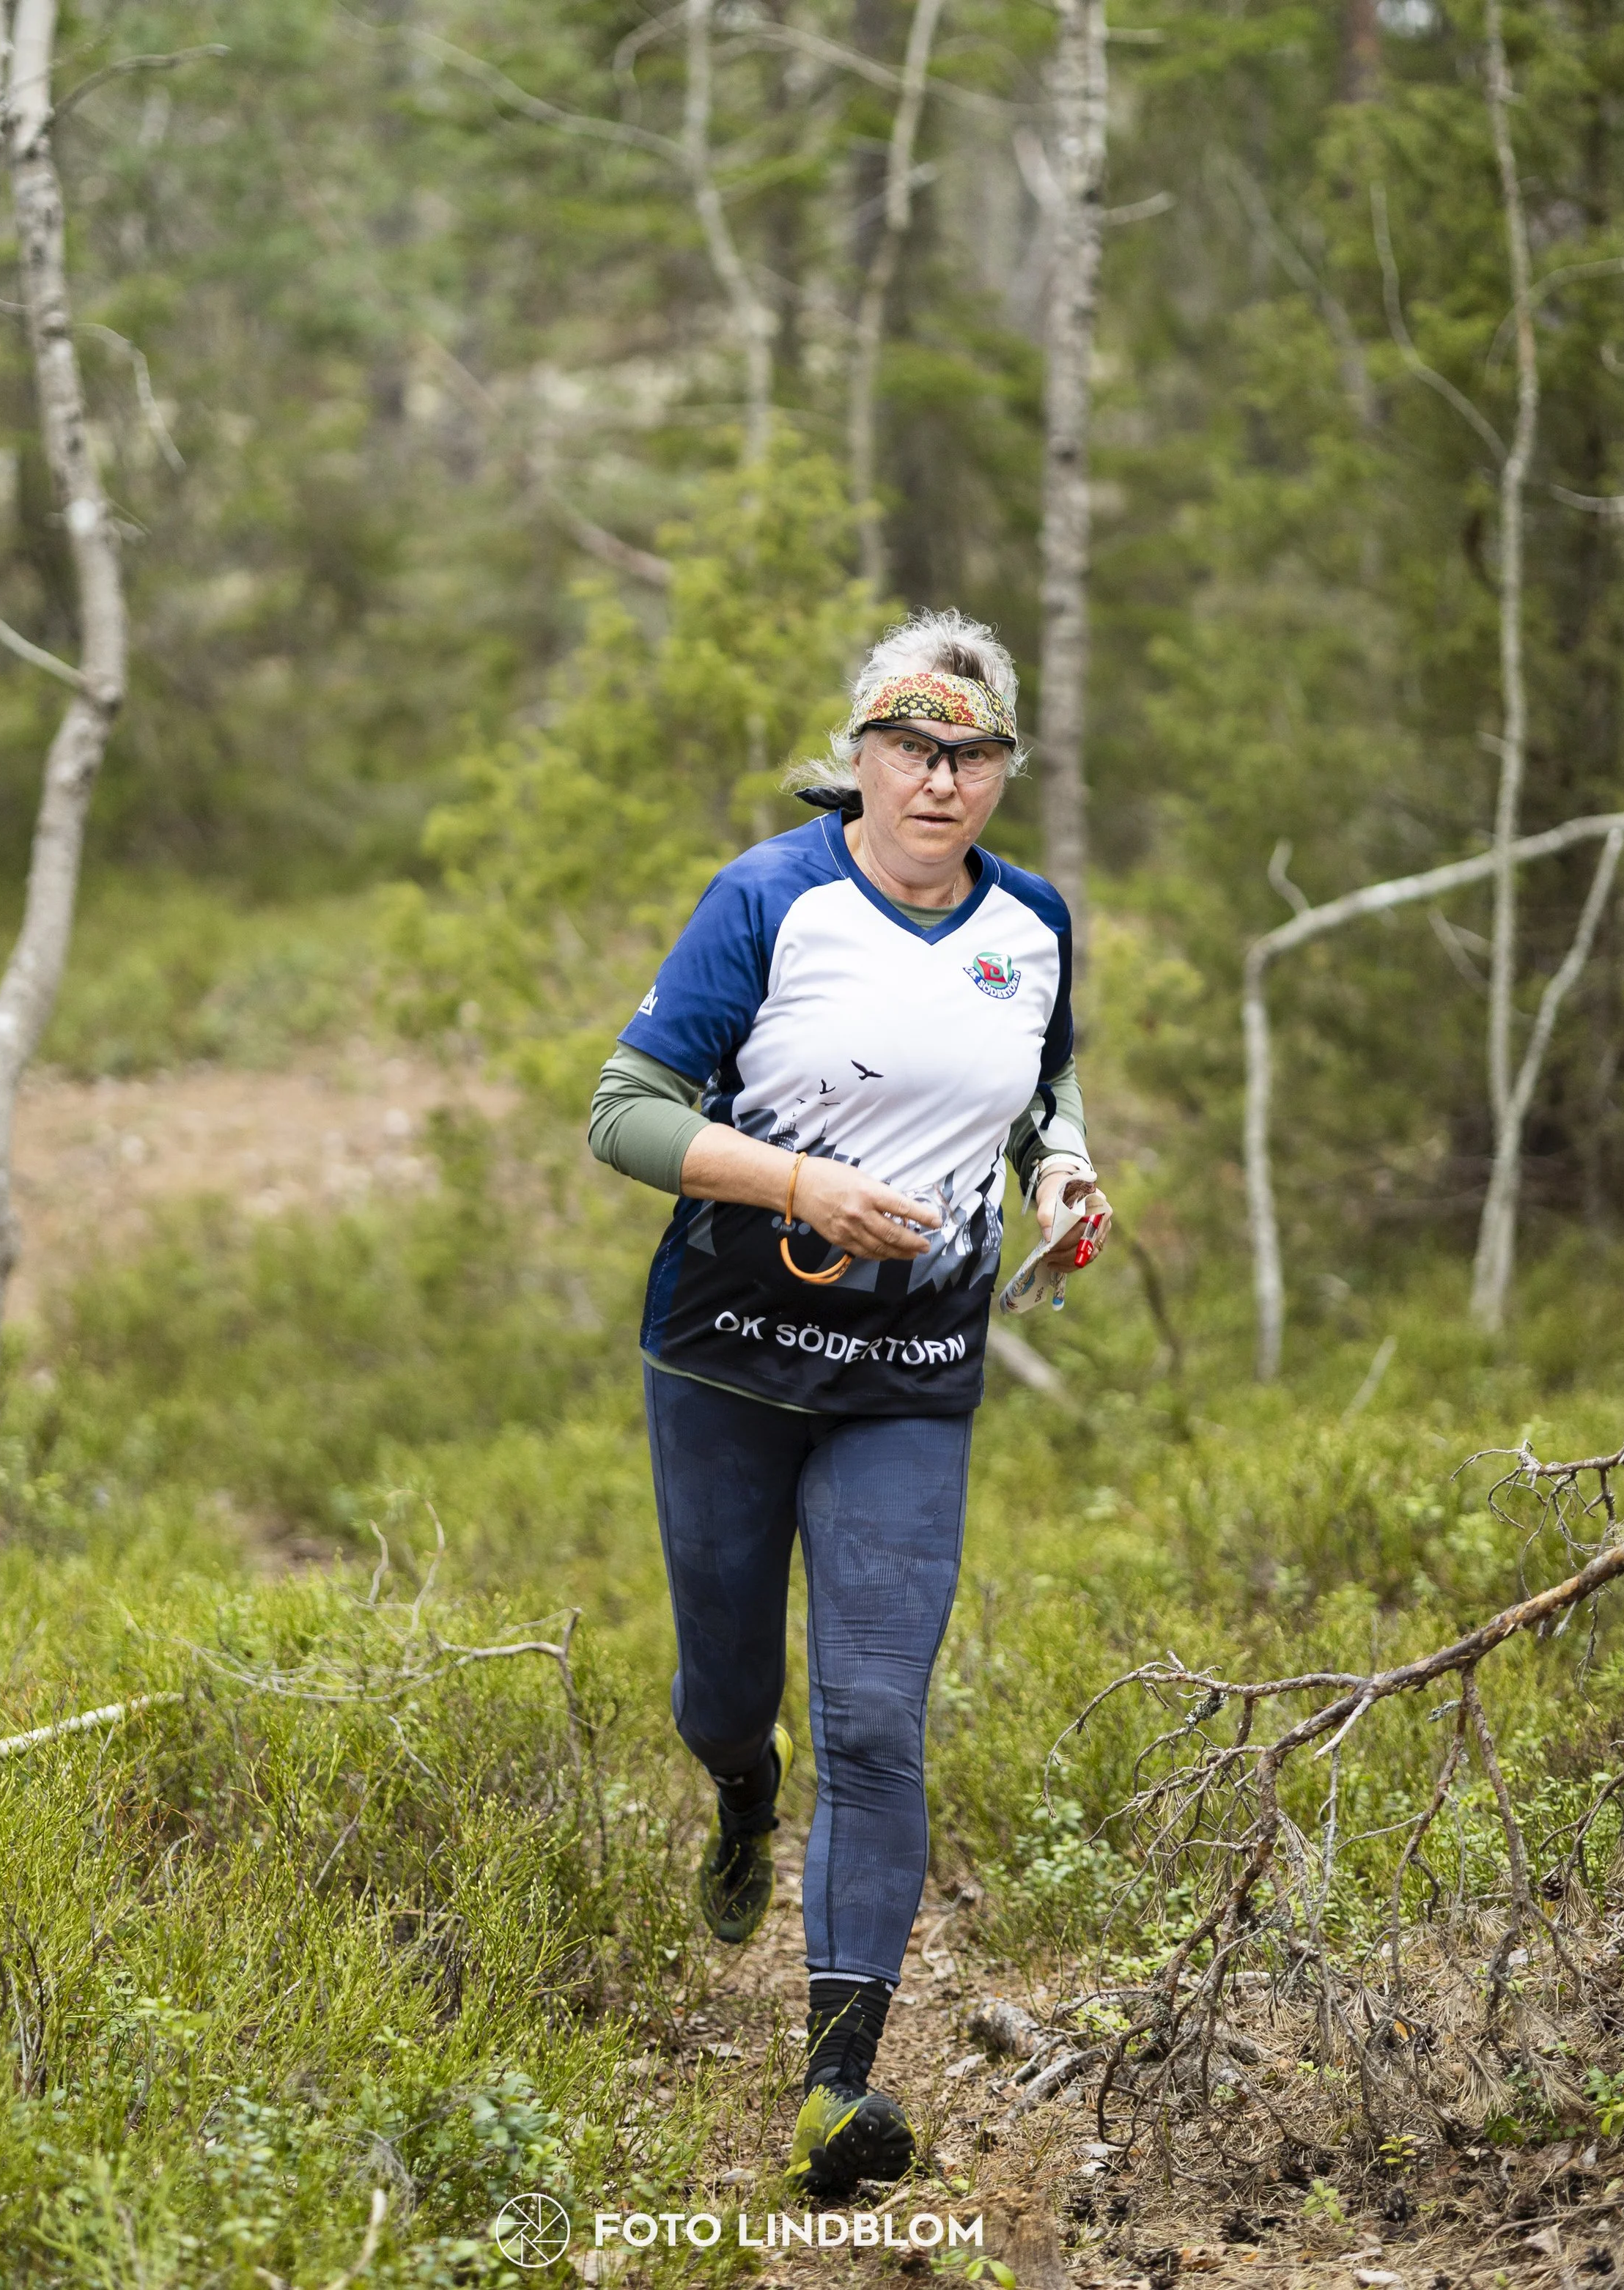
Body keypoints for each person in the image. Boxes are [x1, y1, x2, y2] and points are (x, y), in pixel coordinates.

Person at [587, 608, 1112, 2199]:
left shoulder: (1032, 922)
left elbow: (1039, 1082)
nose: (938, 779)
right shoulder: (768, 897)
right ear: (860, 756)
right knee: (725, 1686)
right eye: (910, 747)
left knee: (877, 1716)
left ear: (1000, 768)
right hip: (727, 1350)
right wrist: (807, 1177)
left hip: (911, 1369)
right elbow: (623, 1115)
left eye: (970, 754)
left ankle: (835, 2084)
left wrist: (1062, 1167)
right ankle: (738, 1787)